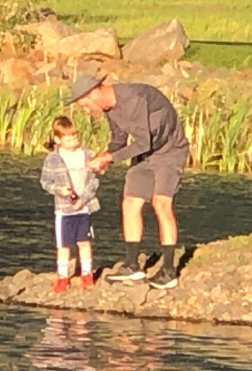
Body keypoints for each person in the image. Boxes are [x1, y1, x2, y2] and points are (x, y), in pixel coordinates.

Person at [67, 74, 189, 290]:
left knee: (161, 203)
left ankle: (169, 270)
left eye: (85, 104)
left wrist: (109, 158)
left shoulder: (134, 98)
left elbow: (143, 142)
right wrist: (102, 157)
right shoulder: (109, 109)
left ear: (94, 93)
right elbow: (119, 140)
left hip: (169, 152)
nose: (86, 110)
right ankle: (132, 266)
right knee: (130, 203)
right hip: (144, 155)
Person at [39, 116, 101, 293]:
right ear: (58, 139)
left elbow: (94, 181)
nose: (73, 142)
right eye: (68, 139)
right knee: (63, 245)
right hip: (64, 210)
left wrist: (83, 199)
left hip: (84, 208)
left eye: (75, 138)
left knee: (84, 241)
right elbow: (45, 182)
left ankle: (87, 274)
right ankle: (62, 276)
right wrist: (59, 190)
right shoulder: (53, 159)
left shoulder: (87, 155)